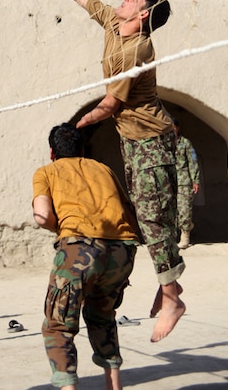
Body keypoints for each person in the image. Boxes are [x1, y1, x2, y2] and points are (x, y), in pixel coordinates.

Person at [52, 0, 185, 343]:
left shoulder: (138, 48)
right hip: (133, 141)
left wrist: (72, 127)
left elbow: (110, 106)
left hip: (153, 140)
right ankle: (171, 287)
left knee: (153, 219)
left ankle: (172, 298)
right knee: (145, 220)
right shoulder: (113, 22)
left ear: (142, 14)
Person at [33, 123, 140, 390]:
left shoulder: (46, 172)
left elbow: (43, 215)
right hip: (122, 250)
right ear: (82, 149)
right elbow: (128, 208)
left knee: (58, 326)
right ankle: (114, 386)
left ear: (51, 152)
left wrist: (59, 228)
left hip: (79, 249)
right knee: (103, 317)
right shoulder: (103, 169)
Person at [173, 121, 200, 250]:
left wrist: (195, 180)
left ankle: (185, 236)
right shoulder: (163, 143)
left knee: (184, 209)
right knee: (170, 211)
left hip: (183, 181)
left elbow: (192, 161)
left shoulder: (185, 143)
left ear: (178, 127)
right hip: (168, 182)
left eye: (173, 127)